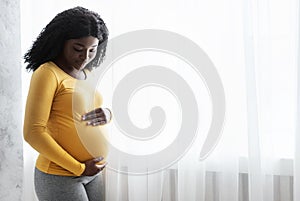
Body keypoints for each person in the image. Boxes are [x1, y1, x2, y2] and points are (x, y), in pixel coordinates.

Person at [23, 6, 111, 201]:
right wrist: (79, 168)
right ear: (61, 42)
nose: (85, 56)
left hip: (93, 173)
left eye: (92, 50)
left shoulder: (88, 73)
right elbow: (33, 132)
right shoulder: (47, 73)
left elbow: (83, 110)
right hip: (60, 175)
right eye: (78, 49)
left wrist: (107, 113)